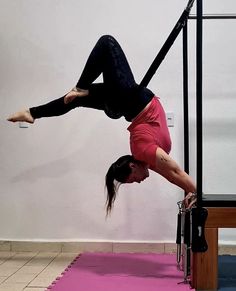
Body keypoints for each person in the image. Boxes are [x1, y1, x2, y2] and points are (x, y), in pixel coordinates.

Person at [7, 35, 196, 214]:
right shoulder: (148, 159)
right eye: (134, 182)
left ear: (132, 166)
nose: (138, 182)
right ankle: (31, 113)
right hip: (122, 103)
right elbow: (173, 175)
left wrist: (196, 192)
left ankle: (74, 90)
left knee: (107, 43)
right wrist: (190, 190)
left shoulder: (143, 151)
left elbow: (174, 173)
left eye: (133, 180)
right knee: (74, 100)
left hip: (127, 100)